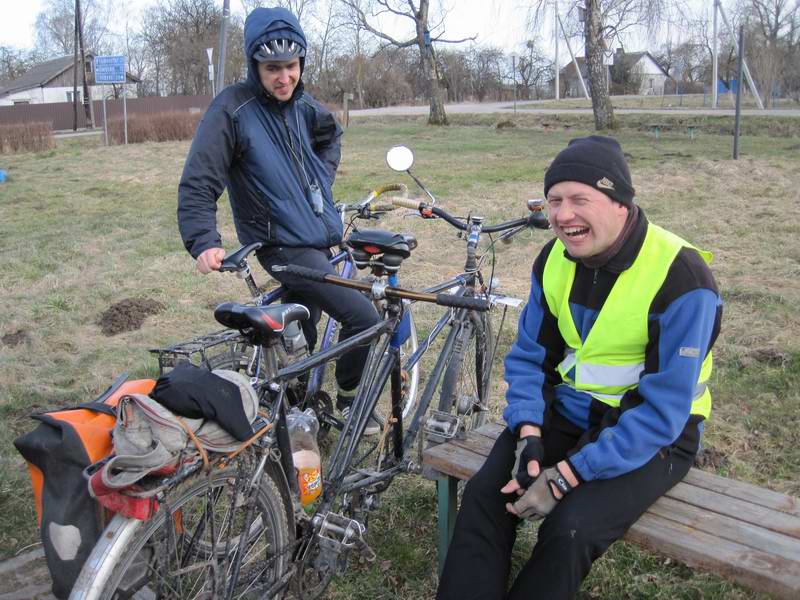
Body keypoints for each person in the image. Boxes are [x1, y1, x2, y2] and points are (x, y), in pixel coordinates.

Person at [437, 136, 722, 599]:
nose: (562, 215)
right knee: (487, 497)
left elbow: (663, 411)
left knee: (570, 530)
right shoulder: (553, 259)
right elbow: (531, 357)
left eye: (579, 199)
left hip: (656, 436)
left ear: (620, 204)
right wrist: (529, 433)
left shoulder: (682, 278)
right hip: (567, 413)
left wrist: (566, 475)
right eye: (554, 200)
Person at [177, 7, 380, 431]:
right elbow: (199, 178)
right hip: (283, 247)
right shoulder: (233, 109)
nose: (283, 77)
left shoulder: (302, 105)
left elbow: (331, 135)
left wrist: (319, 183)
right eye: (272, 68)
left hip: (314, 239)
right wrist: (203, 240)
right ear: (254, 65)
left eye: (290, 66)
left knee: (303, 322)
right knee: (365, 318)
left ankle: (294, 404)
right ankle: (348, 402)